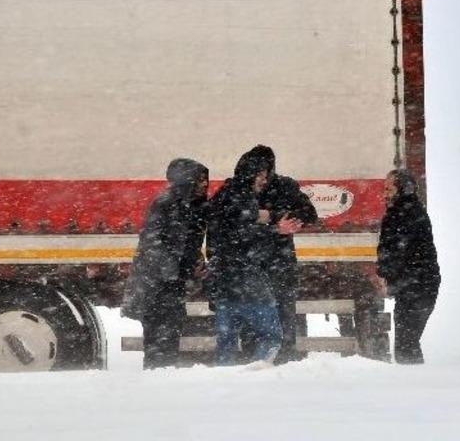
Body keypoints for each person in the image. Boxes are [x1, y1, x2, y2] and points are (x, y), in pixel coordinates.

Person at [205, 150, 300, 365]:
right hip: (244, 276)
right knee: (271, 334)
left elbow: (234, 225)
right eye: (261, 176)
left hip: (223, 278)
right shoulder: (240, 197)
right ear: (251, 174)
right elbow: (242, 233)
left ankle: (225, 376)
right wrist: (276, 230)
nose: (264, 181)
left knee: (227, 340)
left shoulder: (226, 193)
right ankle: (256, 373)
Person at [122, 158, 209, 369]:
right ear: (186, 181)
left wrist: (194, 263)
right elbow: (154, 244)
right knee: (159, 339)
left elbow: (185, 245)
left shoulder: (192, 206)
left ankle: (161, 376)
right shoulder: (167, 204)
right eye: (200, 180)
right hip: (157, 286)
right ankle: (157, 378)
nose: (205, 184)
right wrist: (177, 269)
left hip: (168, 285)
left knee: (168, 337)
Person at [239, 145, 317, 365]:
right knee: (276, 315)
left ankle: (265, 358)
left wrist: (279, 219)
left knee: (265, 317)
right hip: (269, 263)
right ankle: (278, 358)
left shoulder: (283, 186)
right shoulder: (242, 189)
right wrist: (277, 220)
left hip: (267, 263)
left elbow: (310, 214)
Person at [376, 169, 441, 364]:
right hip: (419, 283)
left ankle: (412, 383)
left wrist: (384, 273)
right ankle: (413, 381)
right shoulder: (410, 210)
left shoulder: (402, 214)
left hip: (416, 284)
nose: (385, 193)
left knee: (406, 342)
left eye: (389, 188)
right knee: (408, 341)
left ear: (401, 189)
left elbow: (397, 249)